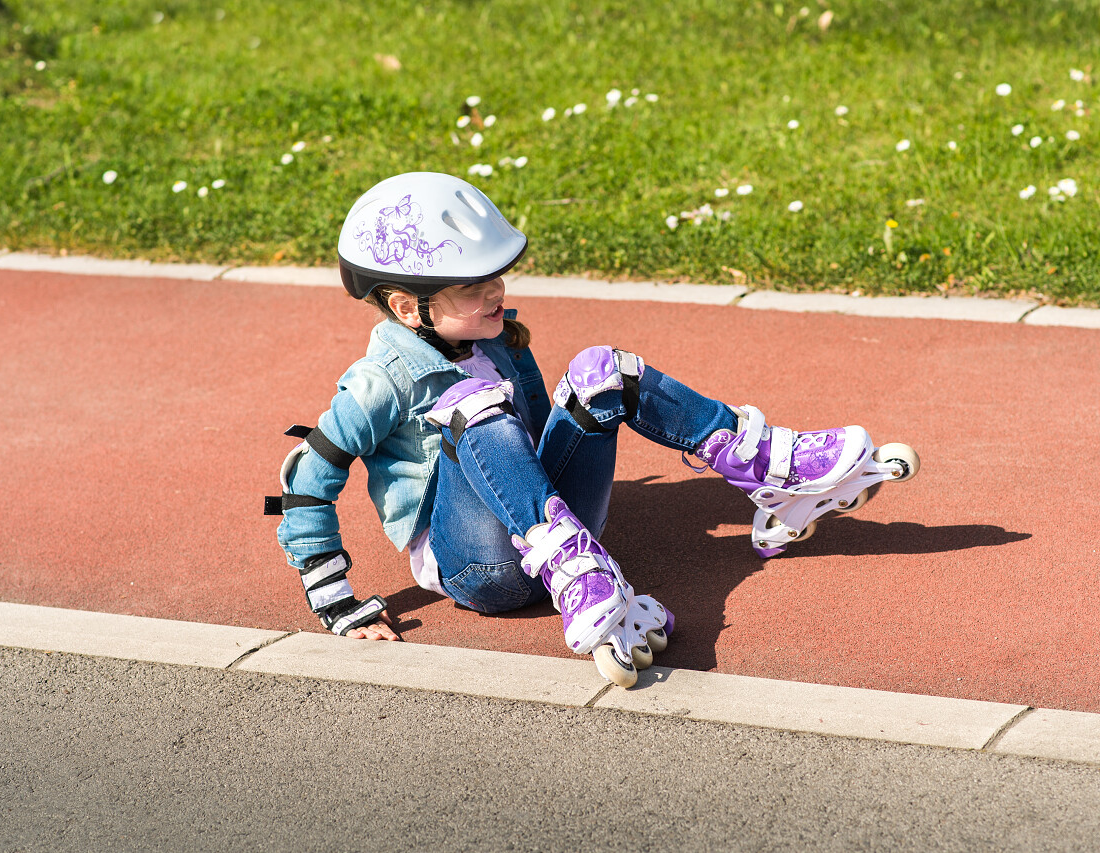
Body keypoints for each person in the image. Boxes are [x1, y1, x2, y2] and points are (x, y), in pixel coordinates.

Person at [266, 172, 918, 688]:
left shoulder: (494, 337)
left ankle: (767, 468)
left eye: (496, 274)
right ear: (409, 306)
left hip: (550, 524)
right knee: (471, 403)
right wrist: (336, 600)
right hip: (480, 568)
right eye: (473, 285)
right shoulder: (382, 378)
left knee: (601, 369)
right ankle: (575, 569)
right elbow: (303, 477)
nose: (495, 292)